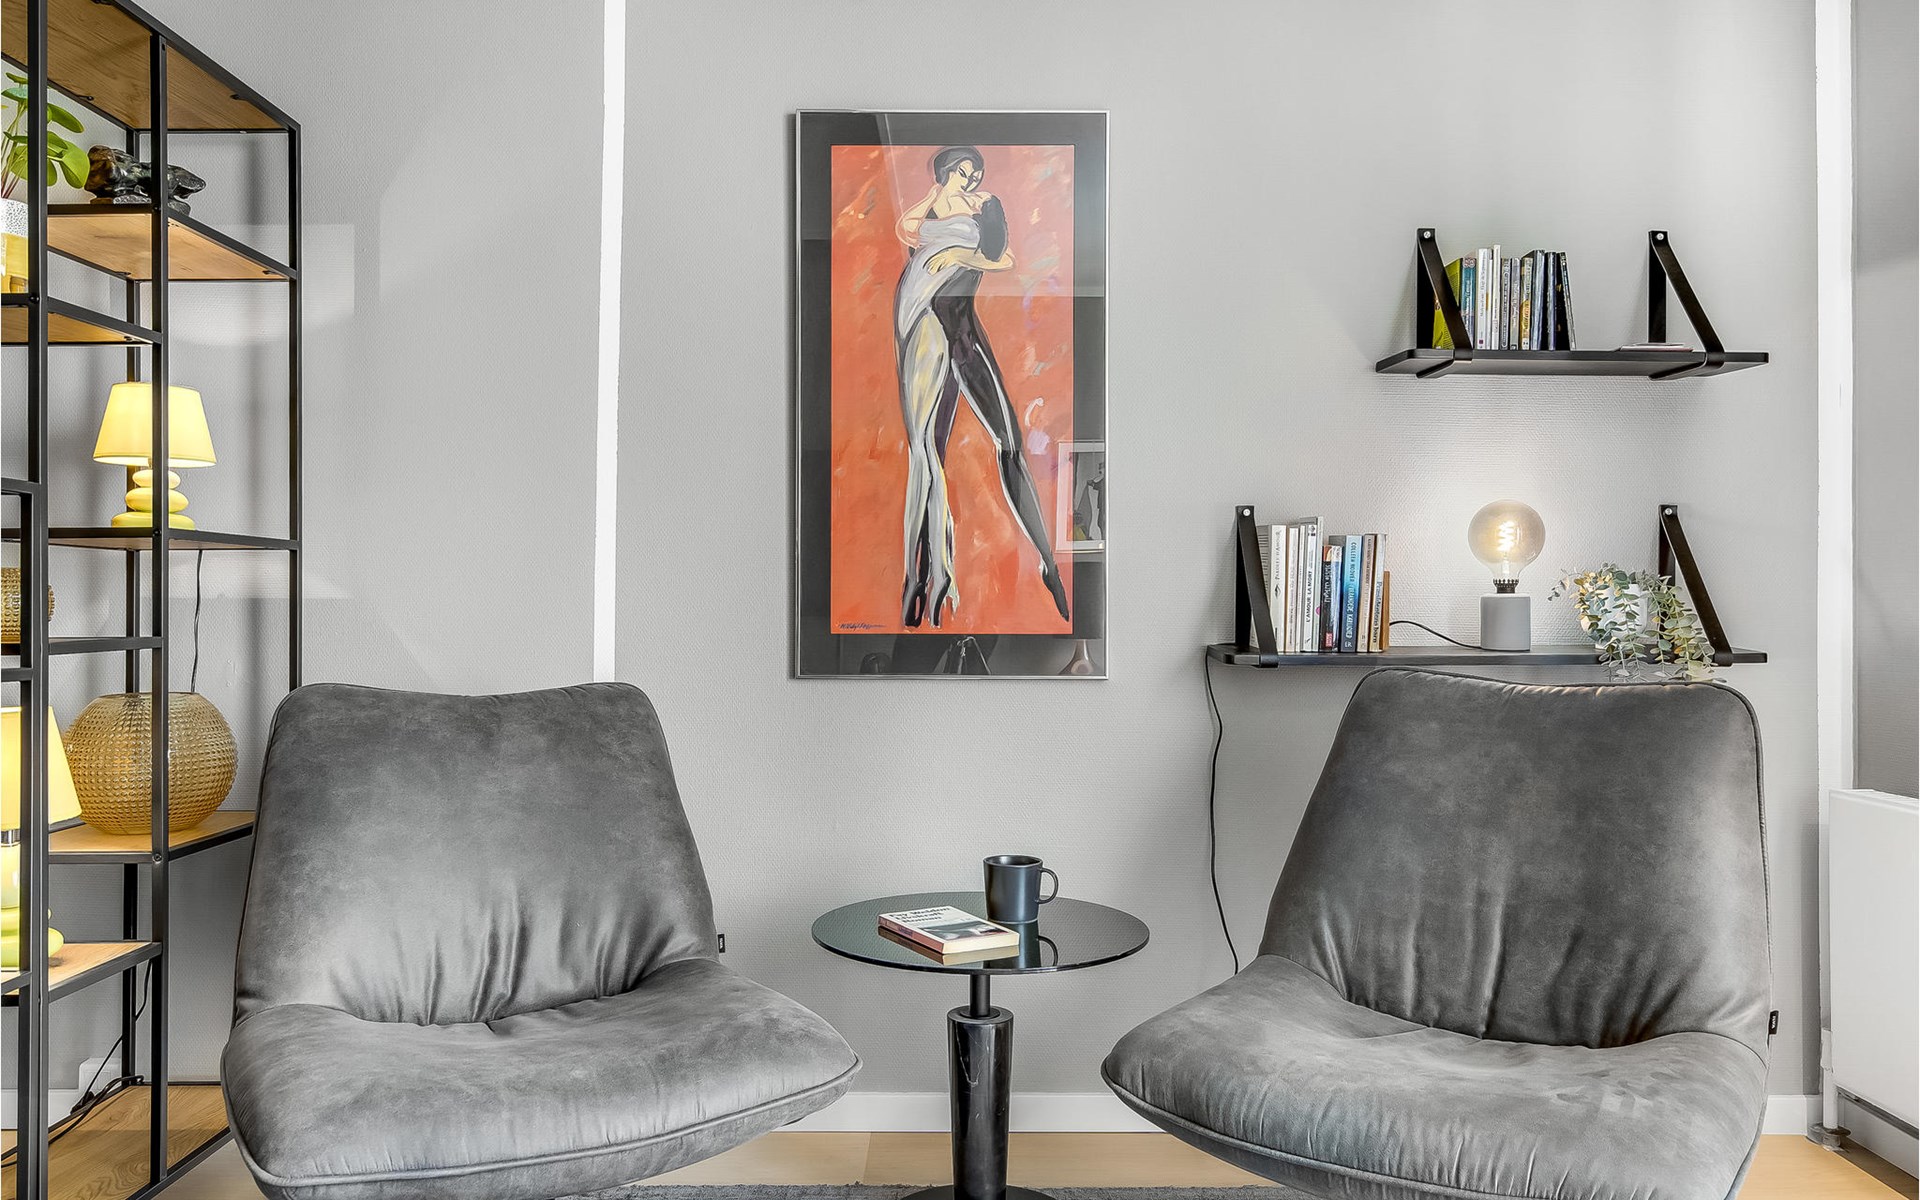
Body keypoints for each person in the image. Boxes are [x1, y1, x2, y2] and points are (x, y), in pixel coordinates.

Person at [892, 145, 1071, 628]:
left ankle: (1048, 563)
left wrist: (956, 252)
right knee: (928, 452)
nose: (971, 179)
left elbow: (1002, 256)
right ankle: (922, 579)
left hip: (963, 330)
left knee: (1009, 443)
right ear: (946, 171)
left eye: (974, 172)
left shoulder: (986, 204)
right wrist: (935, 196)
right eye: (962, 171)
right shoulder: (929, 208)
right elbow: (906, 230)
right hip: (924, 322)